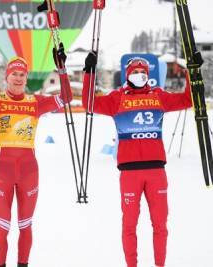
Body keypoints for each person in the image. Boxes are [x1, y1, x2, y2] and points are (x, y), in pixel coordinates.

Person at [0, 42, 72, 267]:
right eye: (14, 73)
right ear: (7, 76)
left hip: (28, 172)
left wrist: (61, 69)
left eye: (22, 74)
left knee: (25, 225)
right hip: (1, 173)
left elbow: (66, 97)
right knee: (2, 226)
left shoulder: (35, 103)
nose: (19, 78)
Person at [82, 53, 192, 267]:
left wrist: (192, 72)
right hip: (129, 174)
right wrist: (89, 73)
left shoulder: (158, 95)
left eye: (143, 72)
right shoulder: (117, 98)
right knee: (129, 226)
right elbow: (88, 103)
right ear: (127, 75)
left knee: (160, 225)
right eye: (135, 72)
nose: (139, 75)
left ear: (148, 75)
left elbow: (188, 99)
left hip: (156, 172)